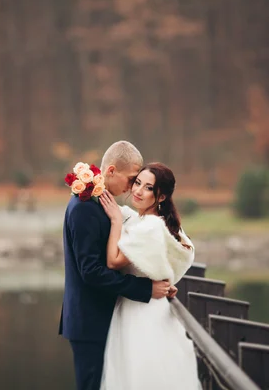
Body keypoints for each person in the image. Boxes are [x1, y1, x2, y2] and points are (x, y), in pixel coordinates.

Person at [59, 141, 176, 390]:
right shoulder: (84, 208)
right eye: (132, 178)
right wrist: (146, 289)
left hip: (106, 318)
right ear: (111, 171)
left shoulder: (102, 203)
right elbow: (91, 272)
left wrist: (161, 278)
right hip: (90, 322)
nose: (133, 186)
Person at [99, 162, 201, 390]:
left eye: (147, 188)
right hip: (139, 307)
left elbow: (113, 261)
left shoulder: (151, 226)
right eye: (137, 183)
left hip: (142, 314)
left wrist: (115, 220)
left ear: (161, 196)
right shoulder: (142, 221)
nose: (137, 191)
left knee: (140, 376)